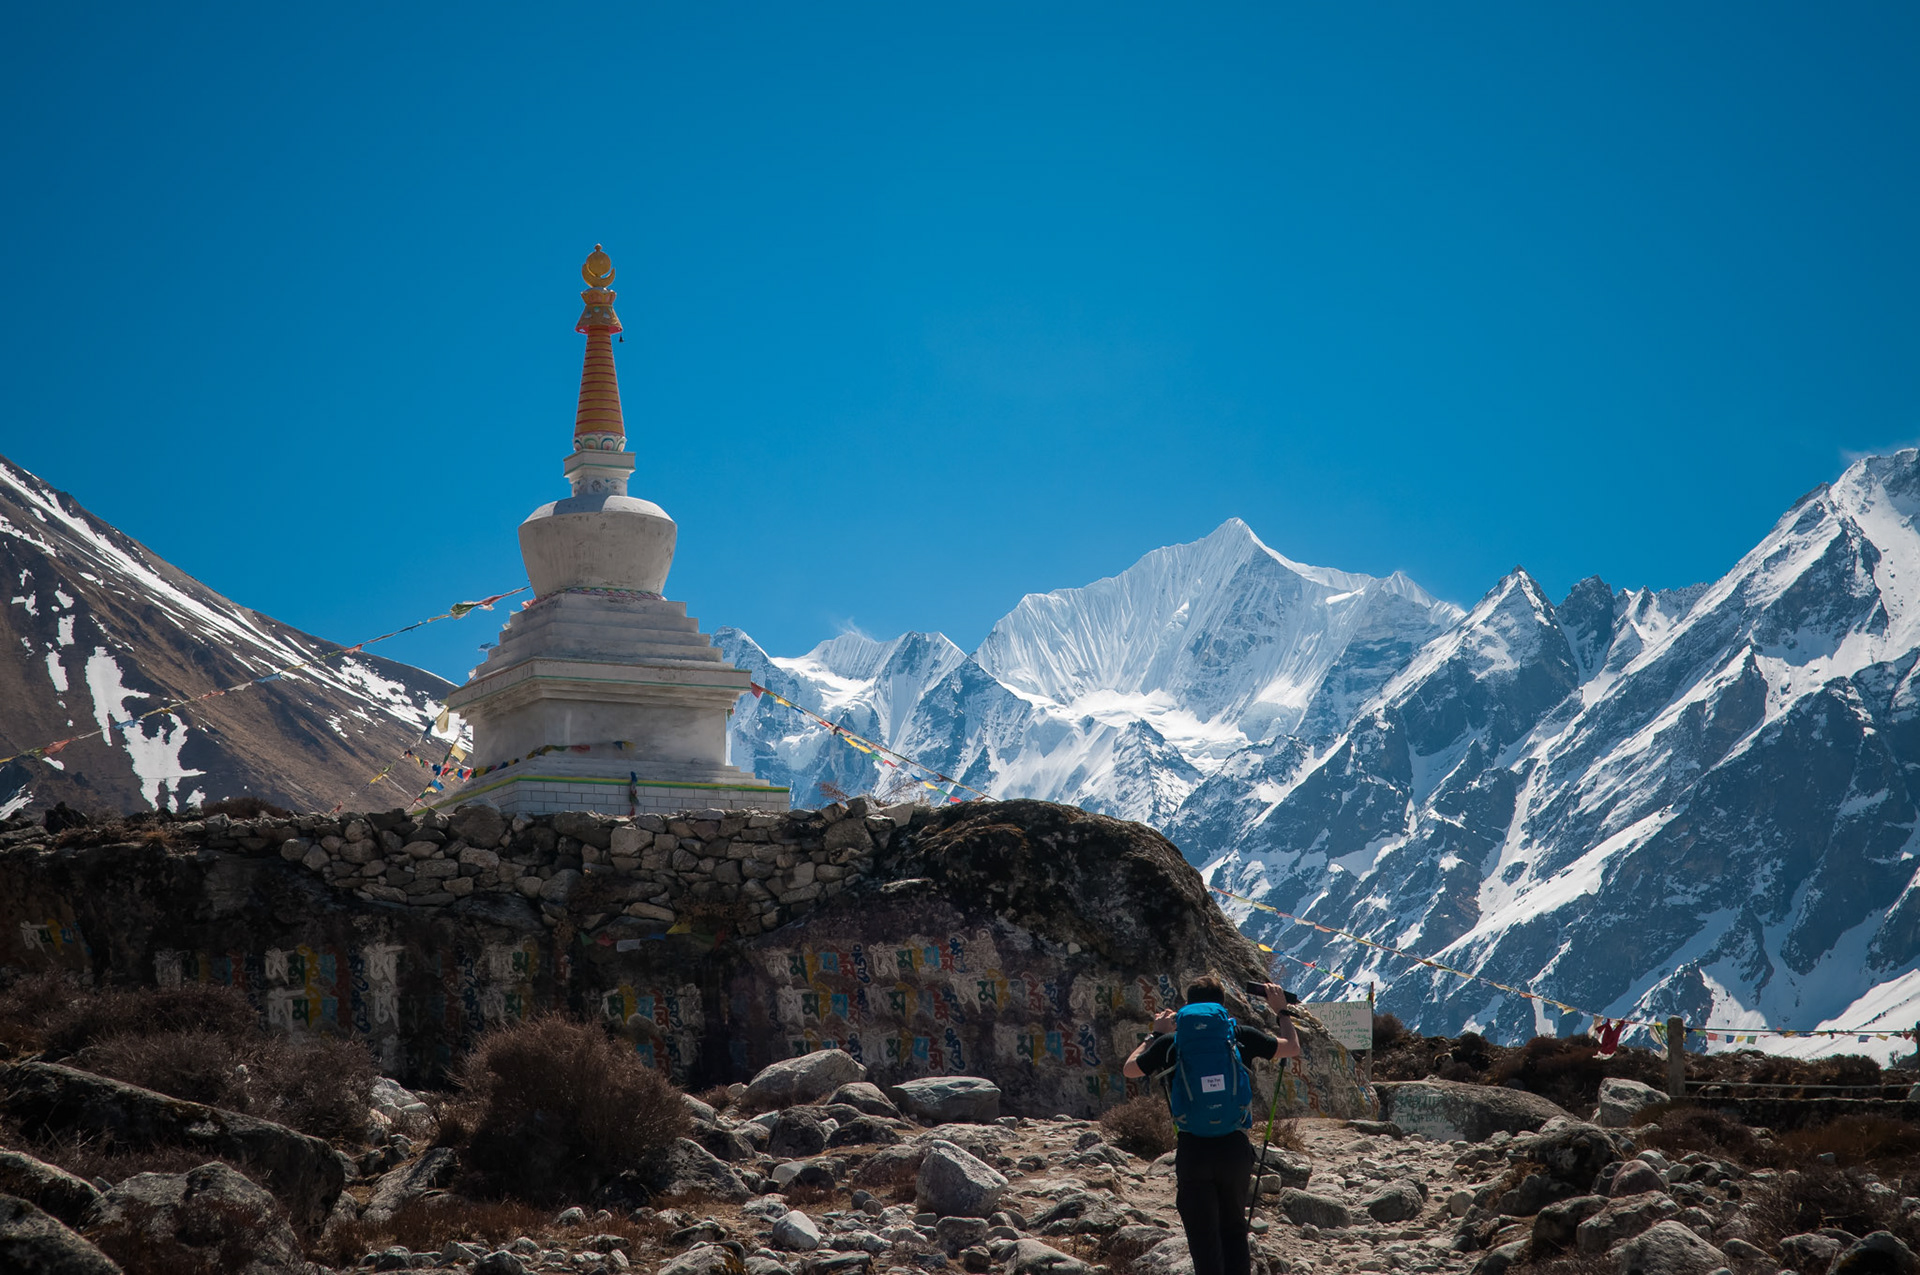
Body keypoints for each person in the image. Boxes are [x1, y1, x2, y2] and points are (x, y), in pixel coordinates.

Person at [1122, 974, 1300, 1275]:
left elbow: (1129, 1070)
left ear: (1186, 1007)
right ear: (1223, 1005)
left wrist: (1154, 1034)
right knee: (1234, 1229)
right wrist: (1281, 1011)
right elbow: (1292, 1047)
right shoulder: (1238, 1035)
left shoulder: (1172, 1042)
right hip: (1233, 1147)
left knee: (1203, 1238)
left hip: (1193, 1150)